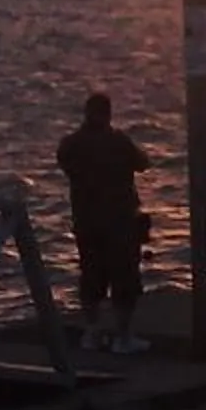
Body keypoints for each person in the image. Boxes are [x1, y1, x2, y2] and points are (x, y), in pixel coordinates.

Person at [55, 91, 152, 352]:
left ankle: (92, 332)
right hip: (119, 221)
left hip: (86, 221)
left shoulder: (70, 145)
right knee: (125, 279)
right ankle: (123, 338)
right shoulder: (118, 141)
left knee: (91, 277)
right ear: (108, 114)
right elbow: (143, 163)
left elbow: (63, 161)